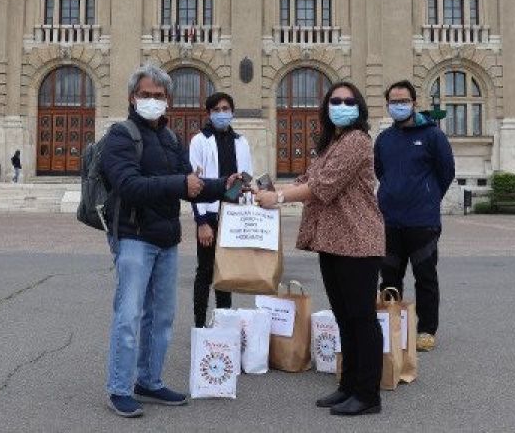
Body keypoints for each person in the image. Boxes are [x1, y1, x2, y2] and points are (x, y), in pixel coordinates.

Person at [100, 63, 240, 419]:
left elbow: (190, 182)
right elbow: (128, 185)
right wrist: (182, 185)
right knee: (129, 315)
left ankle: (149, 380)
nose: (152, 100)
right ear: (133, 97)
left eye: (158, 96)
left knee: (162, 316)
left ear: (168, 101)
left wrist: (225, 186)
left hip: (166, 239)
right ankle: (119, 387)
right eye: (145, 95)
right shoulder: (120, 135)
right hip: (133, 237)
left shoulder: (170, 138)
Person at [256, 81, 384, 417]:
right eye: (335, 101)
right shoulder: (332, 143)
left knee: (361, 318)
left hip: (358, 240)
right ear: (327, 107)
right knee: (345, 317)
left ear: (359, 107)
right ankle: (349, 385)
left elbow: (323, 187)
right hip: (333, 240)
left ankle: (368, 394)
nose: (342, 105)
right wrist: (265, 190)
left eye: (348, 100)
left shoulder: (357, 141)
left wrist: (278, 199)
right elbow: (306, 180)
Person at [374, 80, 456, 353]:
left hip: (423, 222)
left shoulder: (433, 135)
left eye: (403, 101)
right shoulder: (385, 139)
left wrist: (429, 196)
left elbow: (446, 172)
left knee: (425, 277)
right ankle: (391, 326)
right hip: (390, 221)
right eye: (393, 102)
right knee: (389, 278)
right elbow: (380, 172)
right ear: (388, 105)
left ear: (413, 103)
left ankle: (426, 330)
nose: (398, 106)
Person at [189, 91, 253, 328]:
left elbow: (245, 178)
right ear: (209, 113)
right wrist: (202, 222)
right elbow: (194, 184)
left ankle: (223, 323)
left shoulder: (241, 141)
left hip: (232, 215)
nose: (222, 114)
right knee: (205, 271)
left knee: (225, 271)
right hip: (209, 215)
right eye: (216, 110)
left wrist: (240, 203)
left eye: (226, 109)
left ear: (233, 112)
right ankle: (199, 324)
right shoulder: (199, 141)